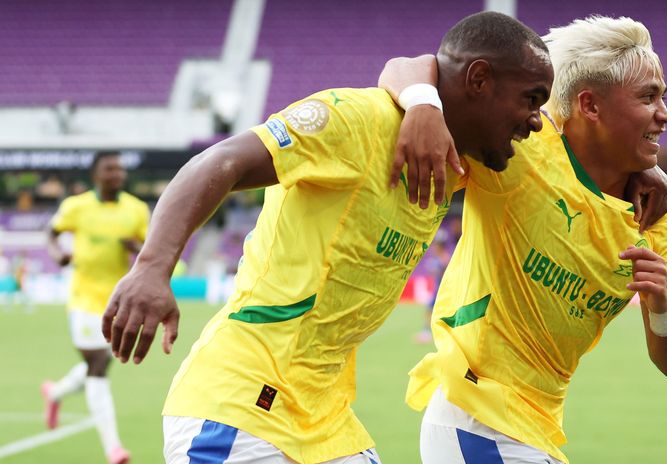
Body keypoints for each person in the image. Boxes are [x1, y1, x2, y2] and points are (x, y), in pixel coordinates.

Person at [101, 12, 554, 464]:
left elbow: (414, 65)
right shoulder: (355, 120)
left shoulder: (460, 163)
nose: (535, 121)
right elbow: (220, 161)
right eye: (530, 99)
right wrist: (151, 268)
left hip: (328, 423)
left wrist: (629, 169)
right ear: (479, 80)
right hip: (240, 410)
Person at [380, 15, 667, 463]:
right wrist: (424, 105)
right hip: (475, 415)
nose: (666, 114)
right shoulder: (522, 146)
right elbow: (405, 67)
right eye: (648, 97)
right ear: (590, 106)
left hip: (535, 430)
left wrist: (661, 307)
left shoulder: (657, 211)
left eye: (663, 97)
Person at [43, 151, 149, 464]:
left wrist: (136, 248)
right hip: (84, 299)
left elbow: (153, 247)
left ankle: (55, 393)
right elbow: (51, 232)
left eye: (119, 169)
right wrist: (56, 253)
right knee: (99, 366)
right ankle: (113, 448)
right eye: (109, 169)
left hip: (119, 300)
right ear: (96, 175)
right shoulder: (76, 207)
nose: (117, 174)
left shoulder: (136, 209)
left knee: (99, 363)